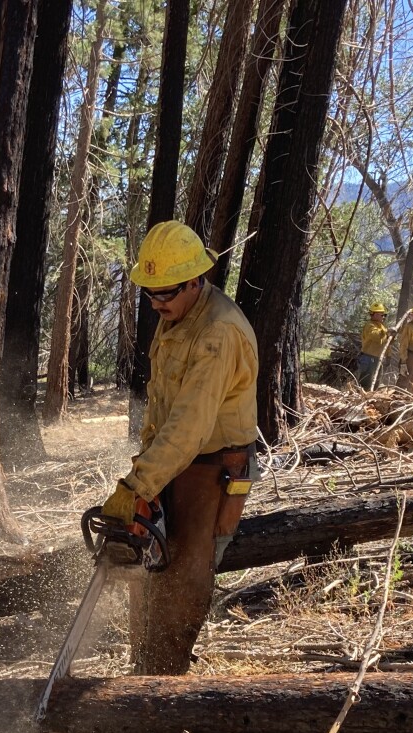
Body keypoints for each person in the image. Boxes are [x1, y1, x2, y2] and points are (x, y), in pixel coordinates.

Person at [101, 221, 258, 675]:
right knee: (148, 567)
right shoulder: (177, 315)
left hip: (214, 467)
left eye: (165, 293)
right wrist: (146, 471)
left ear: (195, 280)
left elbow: (191, 426)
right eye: (150, 294)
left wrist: (139, 484)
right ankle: (144, 672)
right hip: (174, 460)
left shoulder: (218, 332)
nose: (156, 303)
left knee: (183, 576)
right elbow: (163, 405)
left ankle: (164, 687)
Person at [356, 302, 390, 388]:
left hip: (379, 359)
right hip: (368, 358)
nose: (383, 317)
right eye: (381, 315)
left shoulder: (382, 326)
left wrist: (388, 355)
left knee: (376, 383)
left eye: (384, 315)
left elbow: (386, 342)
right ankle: (361, 395)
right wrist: (386, 331)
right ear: (374, 314)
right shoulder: (369, 325)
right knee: (365, 383)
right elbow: (376, 336)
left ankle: (372, 396)